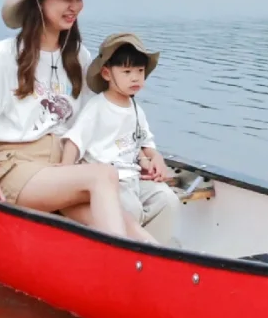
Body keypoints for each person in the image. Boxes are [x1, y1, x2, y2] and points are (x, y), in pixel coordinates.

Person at [0, 0, 135, 239]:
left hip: (62, 166)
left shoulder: (79, 56)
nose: (75, 7)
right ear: (39, 1)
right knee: (103, 175)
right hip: (15, 165)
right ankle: (124, 260)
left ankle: (159, 265)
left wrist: (144, 152)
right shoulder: (2, 55)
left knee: (125, 223)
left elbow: (93, 119)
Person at [60, 33, 180, 245]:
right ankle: (130, 253)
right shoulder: (97, 107)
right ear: (106, 73)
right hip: (111, 182)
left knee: (168, 200)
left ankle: (158, 251)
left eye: (140, 71)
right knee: (129, 208)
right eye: (126, 72)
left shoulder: (135, 109)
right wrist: (63, 176)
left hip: (134, 177)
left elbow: (146, 143)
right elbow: (74, 142)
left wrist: (156, 159)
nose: (135, 78)